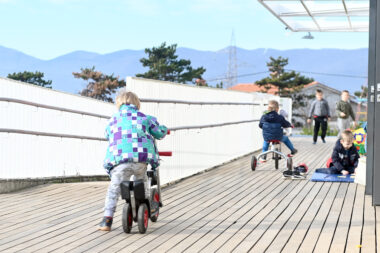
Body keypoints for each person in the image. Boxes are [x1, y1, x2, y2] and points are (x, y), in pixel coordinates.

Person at [99, 89, 168, 231]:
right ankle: (142, 206)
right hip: (140, 160)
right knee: (141, 183)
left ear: (119, 105)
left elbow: (107, 134)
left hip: (120, 161)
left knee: (114, 189)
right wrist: (164, 129)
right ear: (137, 104)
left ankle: (107, 219)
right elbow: (159, 132)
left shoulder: (113, 120)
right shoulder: (145, 118)